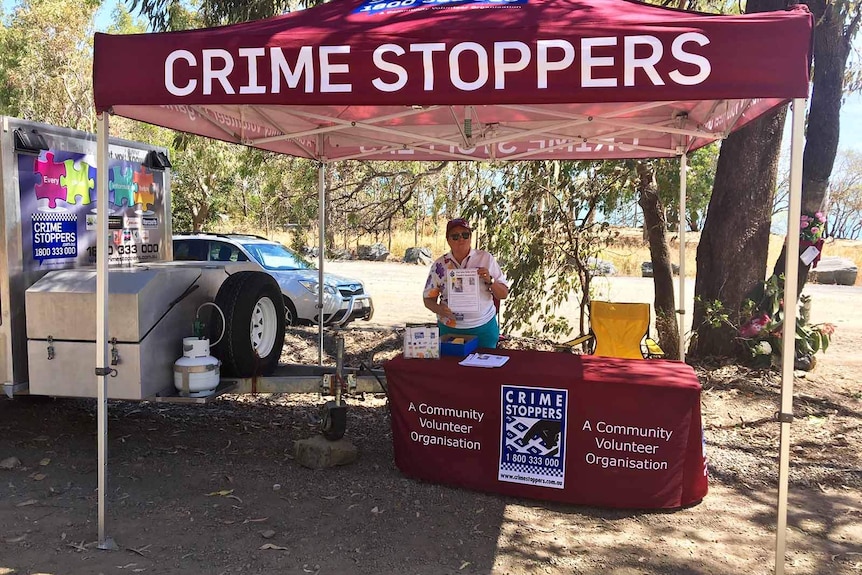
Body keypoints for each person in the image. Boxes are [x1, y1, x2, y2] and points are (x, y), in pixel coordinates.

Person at [423, 218, 510, 348]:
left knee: (483, 367)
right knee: (450, 367)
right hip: (449, 329)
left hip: (483, 328)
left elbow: (503, 294)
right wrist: (440, 309)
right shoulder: (439, 265)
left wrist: (490, 280)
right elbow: (428, 299)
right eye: (455, 236)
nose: (461, 239)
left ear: (470, 237)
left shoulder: (485, 258)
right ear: (448, 240)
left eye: (465, 235)